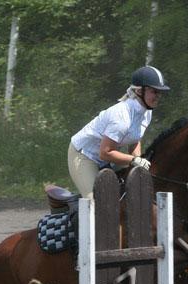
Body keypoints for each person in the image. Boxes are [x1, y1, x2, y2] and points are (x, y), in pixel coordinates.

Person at [68, 65, 170, 198]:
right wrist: (133, 160)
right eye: (154, 91)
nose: (158, 96)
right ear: (139, 91)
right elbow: (105, 153)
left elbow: (135, 139)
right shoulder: (121, 116)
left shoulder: (146, 113)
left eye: (159, 92)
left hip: (106, 158)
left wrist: (138, 161)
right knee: (95, 202)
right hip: (84, 155)